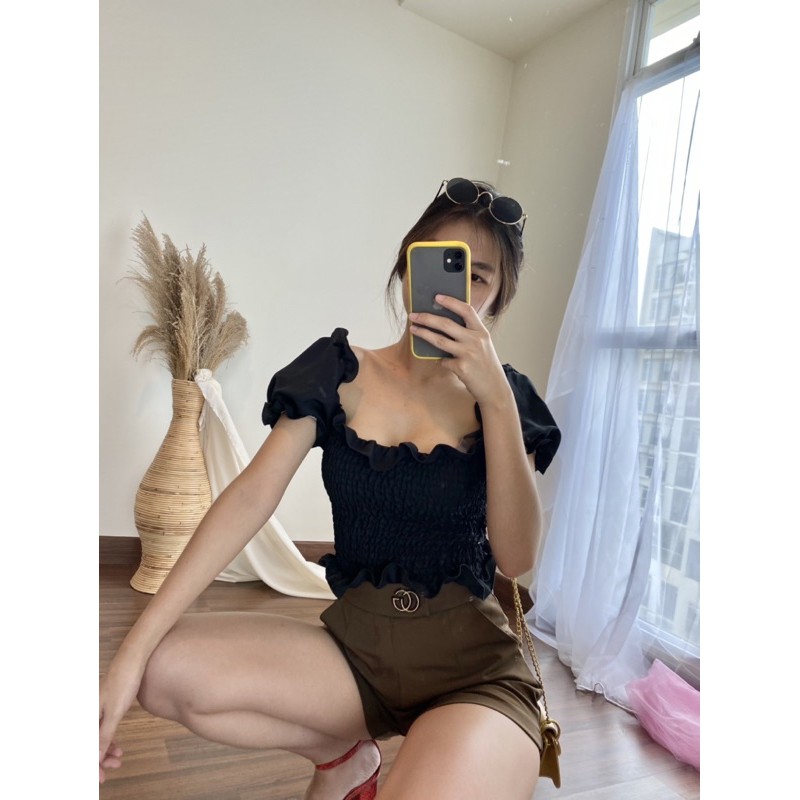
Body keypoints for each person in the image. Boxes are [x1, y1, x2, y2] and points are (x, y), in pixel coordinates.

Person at [99, 177, 561, 800]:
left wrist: (497, 402)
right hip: (357, 655)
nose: (455, 290)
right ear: (406, 268)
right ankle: (342, 756)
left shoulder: (507, 400)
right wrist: (129, 653)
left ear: (499, 298)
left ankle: (442, 746)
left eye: (478, 277)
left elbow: (517, 555)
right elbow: (249, 499)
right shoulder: (336, 370)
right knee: (161, 671)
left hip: (475, 673)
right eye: (440, 263)